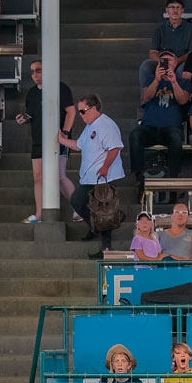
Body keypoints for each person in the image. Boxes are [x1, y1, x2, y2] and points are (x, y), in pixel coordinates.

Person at [58, 94, 125, 259]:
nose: (81, 115)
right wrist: (62, 140)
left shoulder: (105, 124)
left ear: (93, 108)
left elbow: (115, 147)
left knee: (101, 210)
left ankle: (105, 247)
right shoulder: (91, 126)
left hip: (103, 177)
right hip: (91, 176)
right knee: (90, 207)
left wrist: (105, 167)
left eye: (83, 111)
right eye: (79, 112)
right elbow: (79, 145)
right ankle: (97, 230)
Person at [15, 59, 77, 224]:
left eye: (38, 70)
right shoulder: (32, 93)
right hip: (38, 139)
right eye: (33, 71)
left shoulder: (60, 87)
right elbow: (32, 115)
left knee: (59, 175)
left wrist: (64, 133)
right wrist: (23, 119)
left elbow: (71, 111)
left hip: (57, 139)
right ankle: (39, 214)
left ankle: (79, 208)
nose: (34, 74)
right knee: (38, 177)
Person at [129, 50, 190, 193]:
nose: (167, 64)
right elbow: (145, 97)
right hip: (149, 127)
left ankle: (173, 177)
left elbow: (183, 100)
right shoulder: (150, 79)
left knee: (176, 139)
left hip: (170, 127)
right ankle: (138, 176)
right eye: (163, 61)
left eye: (170, 61)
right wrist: (157, 80)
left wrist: (174, 82)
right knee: (135, 135)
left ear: (175, 63)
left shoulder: (183, 81)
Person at [140, 0, 192, 87]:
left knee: (183, 68)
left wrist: (176, 61)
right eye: (172, 7)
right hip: (163, 62)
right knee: (146, 65)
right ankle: (146, 97)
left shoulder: (191, 29)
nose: (175, 10)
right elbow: (153, 52)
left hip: (181, 61)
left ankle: (180, 98)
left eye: (178, 7)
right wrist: (162, 62)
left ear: (182, 10)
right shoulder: (159, 29)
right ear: (167, 10)